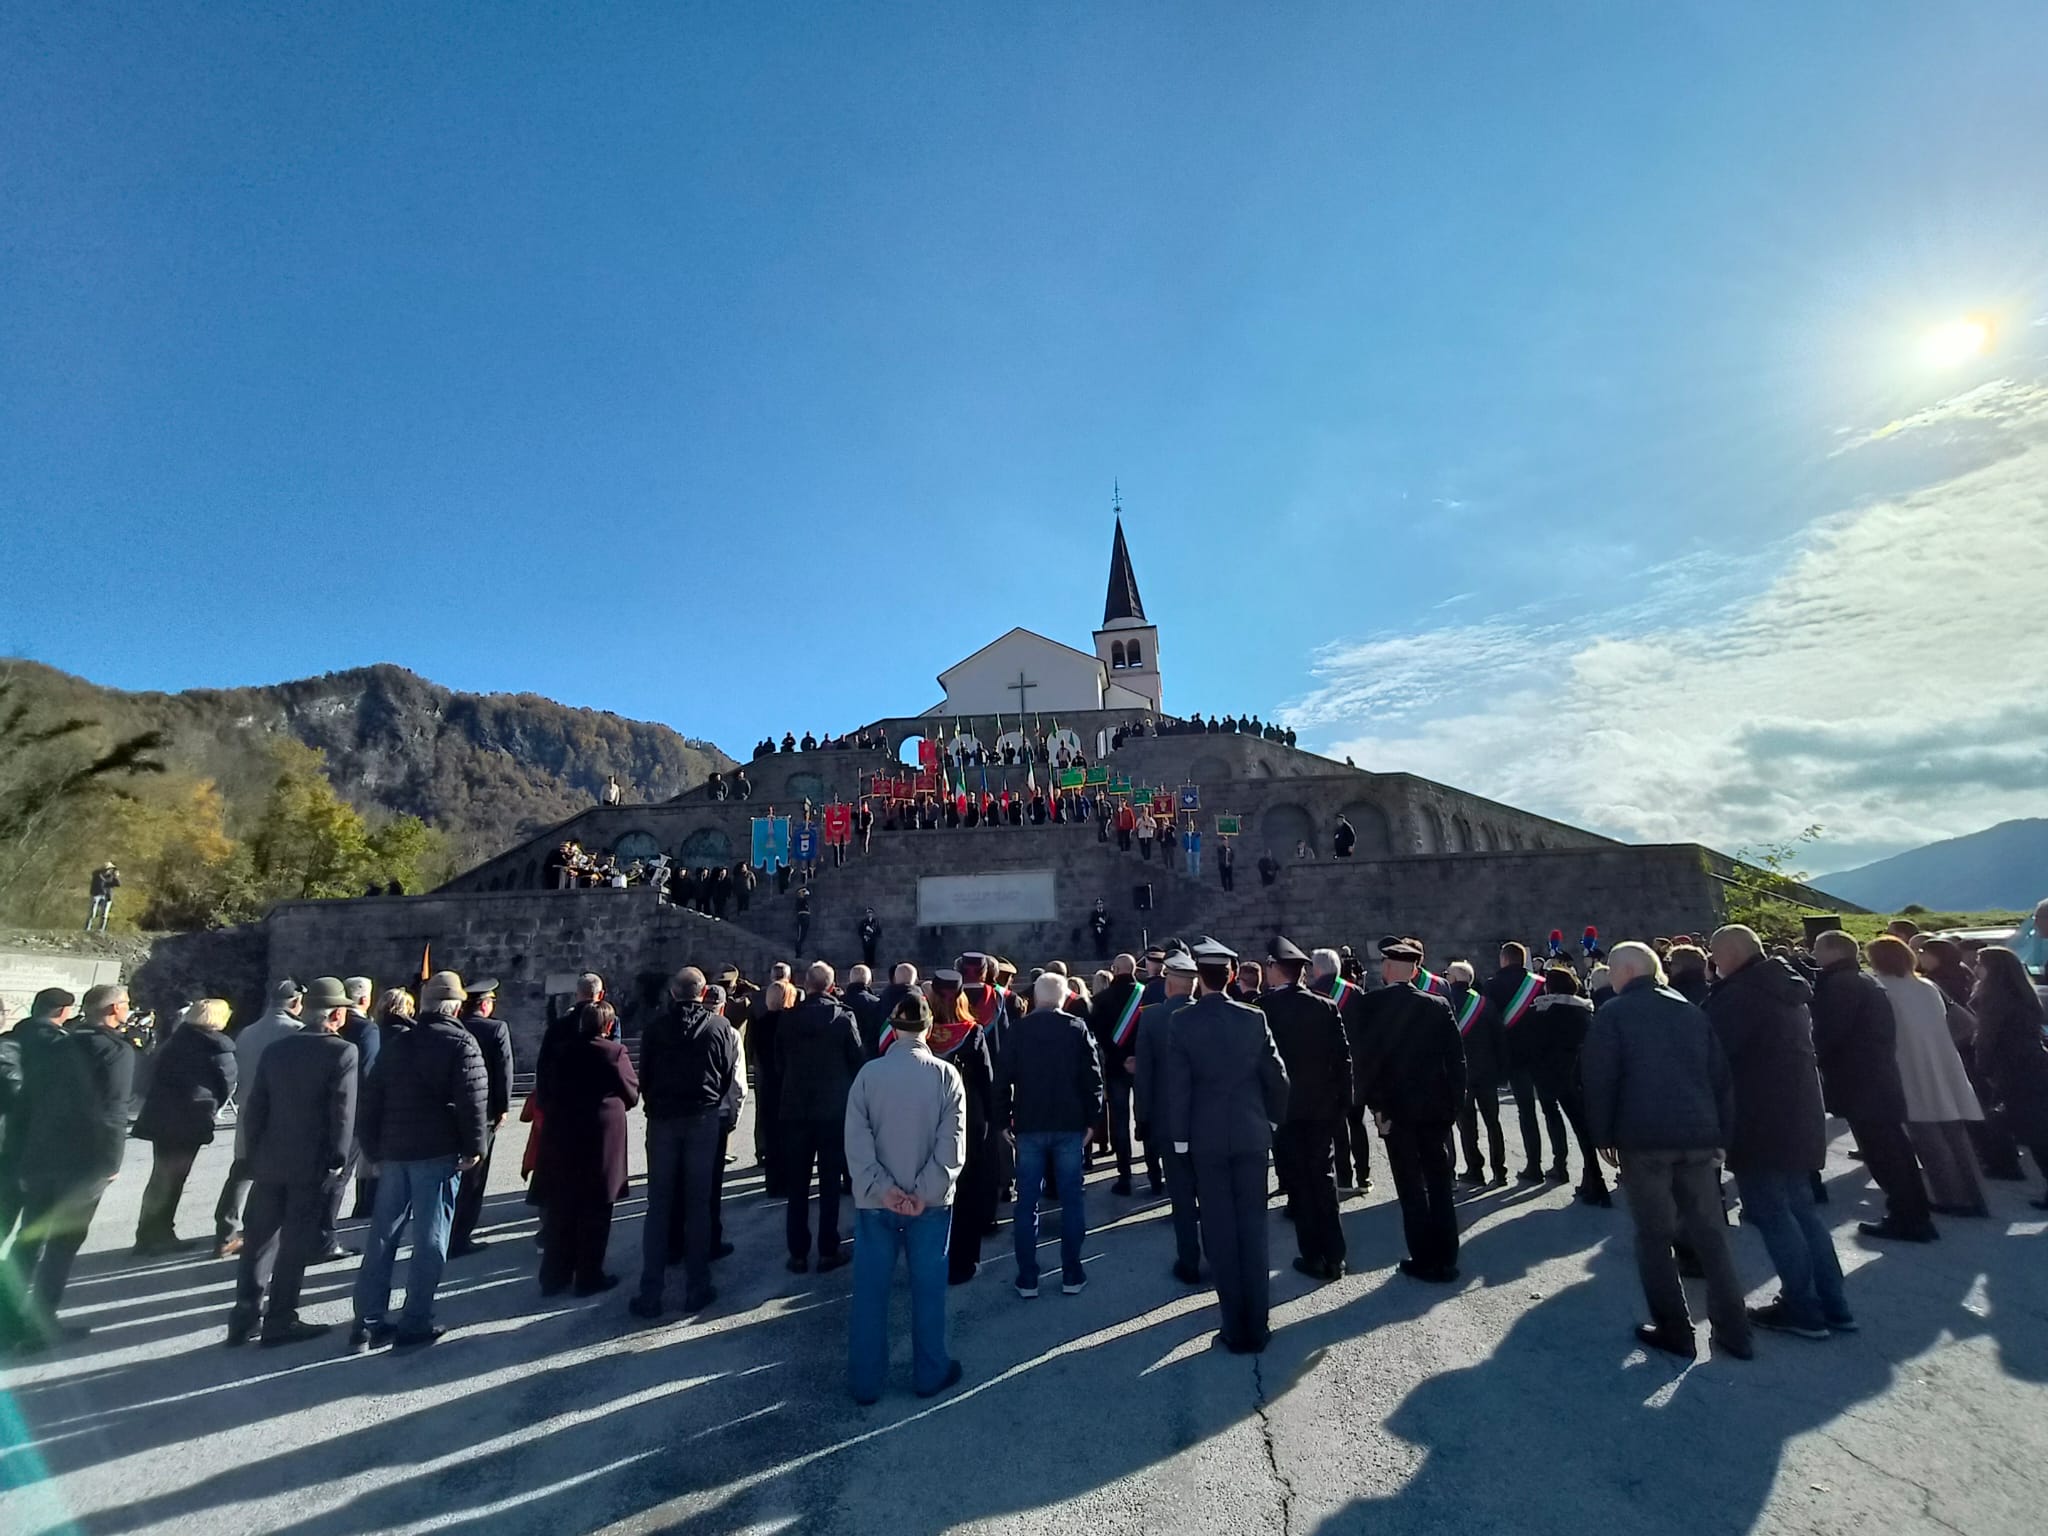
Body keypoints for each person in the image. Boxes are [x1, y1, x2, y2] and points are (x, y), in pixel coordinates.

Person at [1580, 942, 1753, 1362]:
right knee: (1711, 1234)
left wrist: (1602, 1136)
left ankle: (1676, 1330)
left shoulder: (1613, 1014)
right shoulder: (1690, 1009)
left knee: (1654, 1237)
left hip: (1644, 1140)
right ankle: (1736, 1332)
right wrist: (1721, 1135)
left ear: (1624, 971)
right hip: (1697, 1136)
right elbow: (1720, 1077)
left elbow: (1600, 1078)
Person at [1703, 925, 1854, 1340]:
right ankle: (1834, 1304)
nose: (1713, 964)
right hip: (1798, 1115)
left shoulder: (1739, 996)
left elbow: (1713, 1056)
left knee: (1773, 1214)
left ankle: (1803, 1309)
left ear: (1731, 954)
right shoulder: (1786, 987)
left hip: (1759, 1119)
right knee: (1803, 1212)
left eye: (1715, 955)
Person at [351, 970, 489, 1351]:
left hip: (396, 1150)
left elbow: (372, 1098)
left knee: (382, 1236)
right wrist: (475, 1147)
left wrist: (373, 1147)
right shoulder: (460, 1042)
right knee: (430, 1237)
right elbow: (473, 1101)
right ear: (456, 1005)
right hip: (437, 1150)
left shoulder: (398, 1041)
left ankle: (366, 1322)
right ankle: (415, 1320)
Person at [1165, 939, 1290, 1352]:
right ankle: (1259, 1324)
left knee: (1218, 1231)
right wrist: (1271, 1120)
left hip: (1206, 1139)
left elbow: (1179, 1088)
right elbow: (1277, 1077)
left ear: (1199, 978)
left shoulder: (1182, 1022)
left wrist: (1180, 1141)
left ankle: (1234, 1326)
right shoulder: (1254, 1018)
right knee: (1253, 1229)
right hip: (1251, 1134)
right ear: (1232, 976)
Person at [844, 992, 968, 1404]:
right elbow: (952, 1145)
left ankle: (866, 1382)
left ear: (893, 1030)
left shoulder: (868, 1075)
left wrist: (885, 1189)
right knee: (929, 1291)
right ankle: (929, 1374)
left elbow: (857, 1144)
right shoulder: (946, 1075)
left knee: (870, 1294)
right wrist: (922, 1193)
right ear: (929, 1029)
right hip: (929, 1205)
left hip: (877, 1202)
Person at [227, 977, 359, 1347]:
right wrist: (336, 1159)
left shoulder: (278, 1050)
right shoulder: (342, 1052)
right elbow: (342, 1114)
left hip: (270, 1156)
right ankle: (280, 1318)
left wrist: (252, 1154)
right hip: (311, 1162)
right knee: (294, 1244)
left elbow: (256, 1108)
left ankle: (244, 1316)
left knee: (259, 1240)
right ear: (335, 1014)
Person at [4, 983, 136, 1351]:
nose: (129, 1009)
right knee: (62, 1244)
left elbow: (32, 1103)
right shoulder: (115, 1051)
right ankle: (40, 1326)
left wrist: (29, 1153)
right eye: (126, 1004)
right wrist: (112, 1162)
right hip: (84, 1161)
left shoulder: (59, 1044)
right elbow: (114, 1111)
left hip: (42, 1155)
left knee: (28, 1239)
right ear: (113, 1010)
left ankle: (8, 1321)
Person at [1808, 931, 1936, 1243]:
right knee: (1894, 1149)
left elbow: (1829, 1033)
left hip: (1861, 1080)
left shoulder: (1841, 985)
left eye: (1817, 948)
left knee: (1884, 1152)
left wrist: (1813, 1057)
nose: (1813, 953)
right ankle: (1913, 1213)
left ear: (1833, 951)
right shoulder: (1861, 980)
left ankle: (1907, 1217)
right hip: (1875, 1077)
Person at [1355, 940, 1466, 1283]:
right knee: (1439, 1183)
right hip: (1435, 1111)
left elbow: (1366, 1061)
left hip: (1396, 1111)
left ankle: (1423, 1257)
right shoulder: (1438, 1004)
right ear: (1416, 971)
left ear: (1387, 968)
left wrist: (1374, 1106)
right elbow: (1456, 1061)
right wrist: (1454, 1107)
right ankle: (1447, 1258)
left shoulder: (1371, 1004)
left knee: (1410, 1186)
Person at [1866, 935, 1987, 1217]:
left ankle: (1951, 1198)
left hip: (1908, 1064)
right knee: (1955, 1135)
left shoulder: (1881, 988)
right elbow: (1962, 1021)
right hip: (1943, 1061)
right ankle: (1974, 1195)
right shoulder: (1927, 986)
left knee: (1928, 1136)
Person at [1003, 971, 1105, 1298]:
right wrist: (1093, 1120)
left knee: (1027, 1203)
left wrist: (1003, 1120)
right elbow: (1093, 1078)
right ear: (1063, 998)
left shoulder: (1018, 1029)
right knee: (1072, 1200)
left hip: (1030, 1123)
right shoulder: (1076, 1029)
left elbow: (1002, 1078)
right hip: (1069, 1124)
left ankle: (1028, 1277)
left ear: (1035, 997)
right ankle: (1072, 1272)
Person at [533, 1000, 640, 1298]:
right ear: (608, 1026)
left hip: (562, 1135)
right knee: (595, 1208)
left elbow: (546, 1088)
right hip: (598, 1137)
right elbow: (631, 1092)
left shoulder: (561, 1050)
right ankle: (588, 1274)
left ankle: (554, 1275)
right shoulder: (613, 1053)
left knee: (562, 1207)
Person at [1259, 937, 1352, 1281]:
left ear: (1275, 969)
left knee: (1299, 1182)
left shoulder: (1264, 1009)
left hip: (1284, 1110)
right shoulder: (1325, 1005)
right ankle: (1335, 1255)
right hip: (1321, 1108)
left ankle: (1313, 1254)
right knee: (1324, 1180)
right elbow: (1343, 1059)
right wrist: (1344, 1101)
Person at [777, 963, 866, 1273]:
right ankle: (828, 1249)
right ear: (832, 986)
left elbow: (778, 1062)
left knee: (798, 1184)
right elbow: (857, 1059)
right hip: (833, 1109)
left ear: (806, 984)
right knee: (829, 1182)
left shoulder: (787, 1019)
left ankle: (798, 1253)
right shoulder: (843, 1018)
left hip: (796, 1108)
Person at [132, 997, 237, 1254]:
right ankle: (161, 1233)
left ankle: (147, 1233)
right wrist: (214, 1107)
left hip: (162, 1116)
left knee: (159, 1178)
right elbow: (229, 1082)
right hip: (191, 1118)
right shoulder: (218, 1046)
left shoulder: (175, 1040)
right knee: (174, 1179)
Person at [215, 979, 305, 1257]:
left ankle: (226, 1232)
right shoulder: (298, 1032)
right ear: (295, 1002)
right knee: (280, 1178)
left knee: (241, 1172)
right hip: (283, 1112)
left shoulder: (248, 1032)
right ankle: (268, 1234)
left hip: (248, 1109)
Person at [924, 972, 999, 1284]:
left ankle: (929, 1260)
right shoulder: (973, 1033)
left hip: (928, 1118)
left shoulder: (921, 1034)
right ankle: (963, 1264)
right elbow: (986, 1080)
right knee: (966, 1193)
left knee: (931, 1191)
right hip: (966, 1120)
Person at [1134, 951, 1203, 1281]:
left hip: (1167, 1120)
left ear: (1168, 986)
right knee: (1211, 1192)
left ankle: (1189, 1262)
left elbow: (1144, 1076)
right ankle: (1219, 1258)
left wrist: (1142, 1118)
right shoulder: (1208, 1014)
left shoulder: (1151, 1019)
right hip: (1206, 1118)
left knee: (1181, 1195)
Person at [1969, 946, 2048, 1208]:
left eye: (1980, 962)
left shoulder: (1994, 997)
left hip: (2013, 1070)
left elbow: (1987, 1039)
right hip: (2034, 1064)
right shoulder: (2023, 992)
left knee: (2035, 1133)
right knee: (2038, 1129)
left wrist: (1983, 1068)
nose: (1975, 966)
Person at [0, 988, 76, 1251]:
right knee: (34, 1225)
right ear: (63, 1012)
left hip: (11, 1141)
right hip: (41, 1144)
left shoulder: (11, 1039)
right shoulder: (66, 1045)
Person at [1526, 968, 1610, 1204]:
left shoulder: (1545, 1010)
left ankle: (1592, 1181)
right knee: (1583, 1130)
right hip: (1582, 1075)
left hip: (1556, 1077)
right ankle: (1589, 1180)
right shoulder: (1584, 1010)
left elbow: (1536, 1046)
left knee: (1571, 1127)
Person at [1485, 943, 1565, 1183]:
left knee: (1526, 1112)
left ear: (1504, 959)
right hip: (1544, 1056)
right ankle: (1561, 1165)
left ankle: (1534, 1166)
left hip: (1515, 1057)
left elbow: (1493, 1025)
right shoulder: (1541, 984)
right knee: (1552, 1110)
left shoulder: (1492, 986)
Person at [450, 977, 515, 1258]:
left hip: (451, 1108)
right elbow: (504, 1071)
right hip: (484, 1112)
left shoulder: (454, 1027)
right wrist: (503, 1107)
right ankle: (460, 1237)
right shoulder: (496, 1028)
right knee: (474, 1177)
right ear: (485, 1005)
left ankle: (444, 1227)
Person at [1088, 954, 1159, 1196]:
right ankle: (1154, 1175)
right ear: (1134, 970)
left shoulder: (1100, 1000)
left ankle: (1125, 1177)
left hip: (1117, 1068)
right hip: (1145, 1066)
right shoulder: (1146, 994)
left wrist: (1120, 1059)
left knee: (1120, 1123)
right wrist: (1138, 1058)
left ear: (1114, 970)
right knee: (1147, 1118)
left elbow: (1099, 1037)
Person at [1442, 961, 1506, 1186]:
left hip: (1462, 1075)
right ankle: (1500, 1171)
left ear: (1453, 978)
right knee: (1493, 1123)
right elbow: (1499, 1039)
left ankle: (1475, 1170)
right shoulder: (1485, 1004)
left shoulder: (1447, 1004)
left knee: (1467, 1125)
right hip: (1487, 1072)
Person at [337, 979, 383, 1219]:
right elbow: (368, 1071)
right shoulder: (367, 1029)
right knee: (349, 1169)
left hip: (331, 1104)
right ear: (365, 999)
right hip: (356, 1108)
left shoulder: (337, 1024)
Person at [843, 964, 886, 1056]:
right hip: (871, 1053)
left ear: (850, 980)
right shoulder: (878, 1003)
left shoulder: (840, 1003)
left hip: (846, 1055)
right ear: (870, 981)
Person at [86, 861, 120, 932]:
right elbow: (100, 883)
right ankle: (88, 928)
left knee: (104, 914)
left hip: (107, 896)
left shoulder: (111, 876)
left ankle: (101, 929)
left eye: (110, 869)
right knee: (92, 913)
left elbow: (118, 884)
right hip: (96, 895)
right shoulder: (97, 875)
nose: (108, 870)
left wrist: (116, 877)